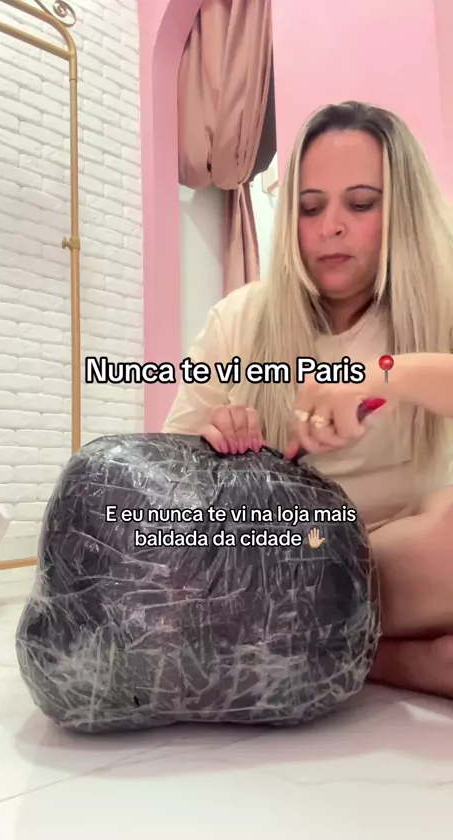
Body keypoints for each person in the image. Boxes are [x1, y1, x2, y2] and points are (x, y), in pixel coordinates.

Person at [163, 100, 453, 699]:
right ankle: (382, 657)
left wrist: (382, 375)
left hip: (404, 566)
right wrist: (216, 450)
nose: (331, 227)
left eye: (361, 204)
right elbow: (166, 482)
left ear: (402, 209)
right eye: (310, 207)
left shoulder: (439, 309)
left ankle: (345, 653)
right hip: (279, 567)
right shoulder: (240, 318)